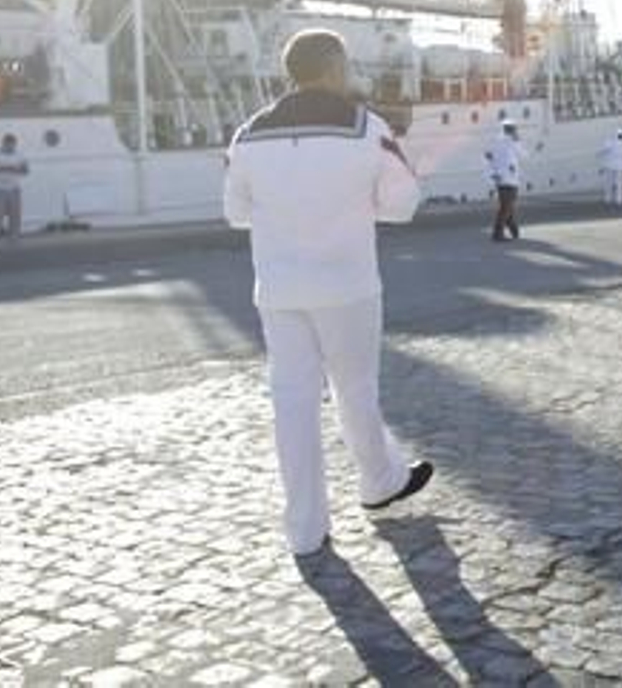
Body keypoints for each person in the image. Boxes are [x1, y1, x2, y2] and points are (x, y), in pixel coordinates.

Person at [224, 29, 433, 557]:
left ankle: (304, 529)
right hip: (347, 284)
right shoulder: (366, 128)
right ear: (335, 67)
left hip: (278, 287)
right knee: (354, 389)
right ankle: (379, 481)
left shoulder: (248, 134)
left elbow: (235, 212)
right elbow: (404, 203)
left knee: (291, 403)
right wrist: (355, 207)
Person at [0, 133, 29, 240]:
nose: (10, 146)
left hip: (14, 189)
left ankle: (14, 235)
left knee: (15, 214)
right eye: (8, 144)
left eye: (12, 144)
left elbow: (26, 170)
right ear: (3, 143)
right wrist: (1, 168)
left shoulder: (20, 155)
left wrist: (16, 169)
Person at [485, 121, 525, 240]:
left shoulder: (495, 142)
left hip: (500, 178)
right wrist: (518, 141)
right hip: (510, 178)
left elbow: (488, 158)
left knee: (507, 205)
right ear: (512, 130)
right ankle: (498, 233)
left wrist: (492, 174)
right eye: (514, 129)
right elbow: (523, 155)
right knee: (506, 206)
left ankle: (513, 228)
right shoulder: (512, 141)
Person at [598, 130, 622, 206]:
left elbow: (602, 152)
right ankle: (618, 200)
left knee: (609, 183)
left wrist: (600, 158)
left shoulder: (609, 143)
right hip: (619, 166)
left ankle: (608, 199)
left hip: (610, 166)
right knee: (619, 184)